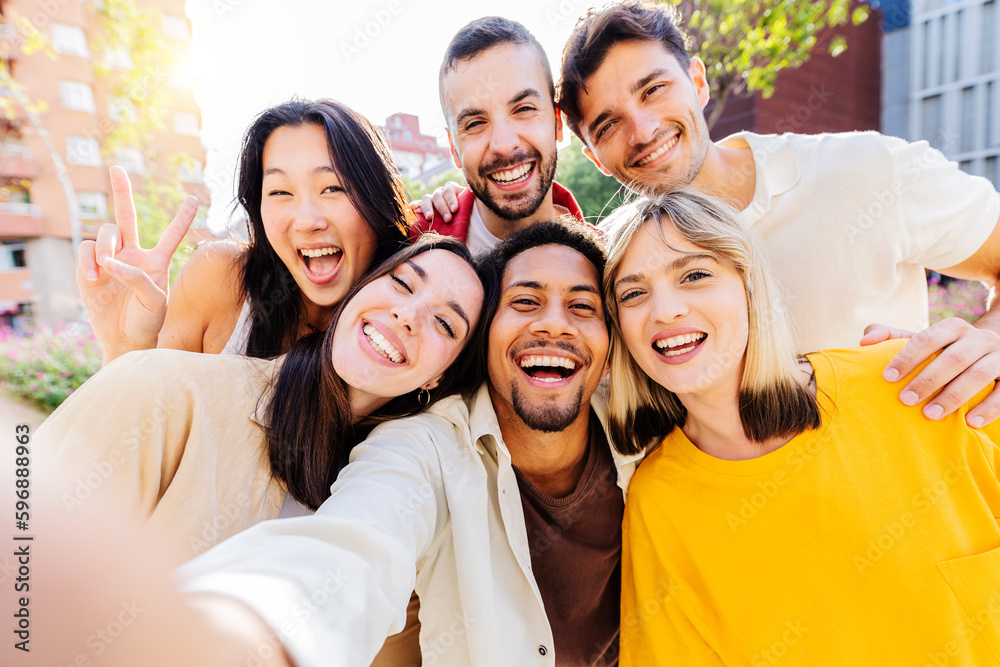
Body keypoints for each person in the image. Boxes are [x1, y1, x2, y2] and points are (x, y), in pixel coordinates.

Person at [154, 219, 638, 667]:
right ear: (482, 342)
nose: (554, 324)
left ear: (612, 346)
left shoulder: (646, 431)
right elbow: (354, 550)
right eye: (525, 302)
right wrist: (238, 633)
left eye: (582, 306)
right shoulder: (424, 450)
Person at [39, 234, 491, 667]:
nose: (408, 315)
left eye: (445, 324)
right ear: (357, 293)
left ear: (439, 377)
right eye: (401, 283)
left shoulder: (402, 504)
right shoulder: (161, 388)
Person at [601, 190, 1000, 665]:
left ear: (749, 286)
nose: (665, 311)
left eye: (695, 275)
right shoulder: (657, 502)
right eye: (633, 293)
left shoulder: (913, 381)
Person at [557, 1, 1000, 427]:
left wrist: (989, 343)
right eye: (608, 125)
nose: (643, 130)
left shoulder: (869, 170)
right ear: (595, 158)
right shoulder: (615, 264)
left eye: (653, 90)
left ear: (697, 81)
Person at [77, 98, 411, 365]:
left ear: (377, 198)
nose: (307, 221)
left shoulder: (407, 319)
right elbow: (137, 432)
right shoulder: (221, 279)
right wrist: (125, 347)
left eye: (333, 188)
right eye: (280, 192)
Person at [410, 17, 584, 253]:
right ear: (453, 148)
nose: (503, 144)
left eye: (524, 109)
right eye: (474, 124)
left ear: (557, 123)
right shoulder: (406, 244)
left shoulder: (610, 267)